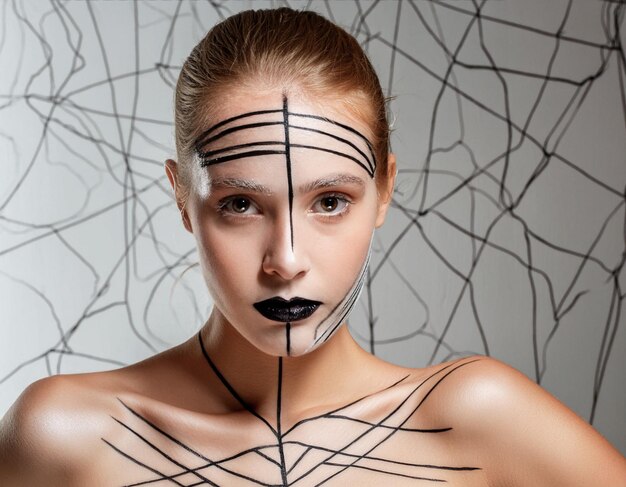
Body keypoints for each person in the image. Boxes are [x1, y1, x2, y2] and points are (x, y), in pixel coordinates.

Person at [1, 7, 625, 486]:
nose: (287, 260)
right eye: (240, 204)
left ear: (384, 190)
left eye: (330, 201)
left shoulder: (476, 418)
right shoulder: (67, 435)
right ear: (181, 197)